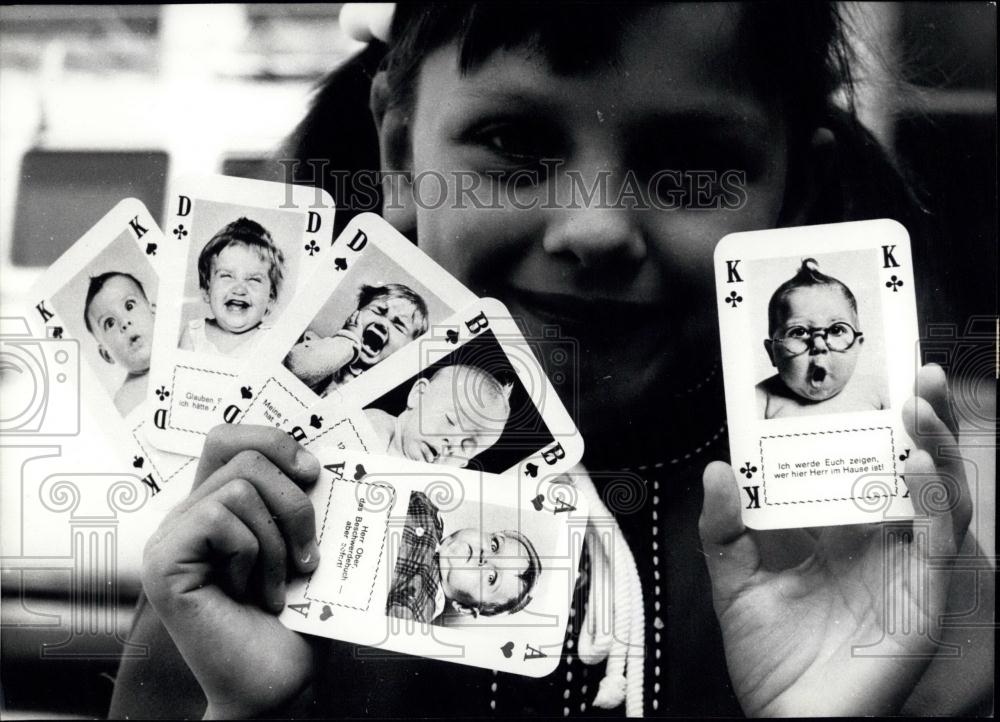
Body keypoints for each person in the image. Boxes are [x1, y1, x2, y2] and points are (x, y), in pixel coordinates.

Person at [112, 3, 994, 719]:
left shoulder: (887, 554)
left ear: (795, 189)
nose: (594, 228)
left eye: (688, 165)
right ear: (398, 151)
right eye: (515, 144)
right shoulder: (260, 536)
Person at [756, 257, 887, 418]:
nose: (818, 345)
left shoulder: (877, 391)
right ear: (772, 352)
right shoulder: (762, 399)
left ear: (857, 345)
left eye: (836, 329)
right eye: (798, 332)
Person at [385, 490, 541, 624]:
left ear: (464, 608)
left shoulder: (420, 605)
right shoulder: (429, 511)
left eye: (491, 578)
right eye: (494, 546)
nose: (483, 556)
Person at [284, 283, 429, 395]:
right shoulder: (317, 346)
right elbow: (297, 371)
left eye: (398, 325)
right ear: (355, 313)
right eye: (378, 311)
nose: (383, 323)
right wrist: (349, 339)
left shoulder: (380, 394)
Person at [365, 364, 513, 468]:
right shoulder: (379, 424)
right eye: (450, 420)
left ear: (462, 465)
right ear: (418, 395)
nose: (452, 443)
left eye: (465, 447)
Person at [179, 217, 285, 357]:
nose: (239, 289)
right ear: (206, 289)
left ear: (271, 297)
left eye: (253, 279)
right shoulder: (193, 335)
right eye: (227, 276)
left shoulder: (271, 340)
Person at [83, 271, 155, 416]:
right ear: (106, 355)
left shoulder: (185, 345)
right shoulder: (123, 405)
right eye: (109, 323)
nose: (124, 323)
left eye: (129, 306)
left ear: (154, 312)